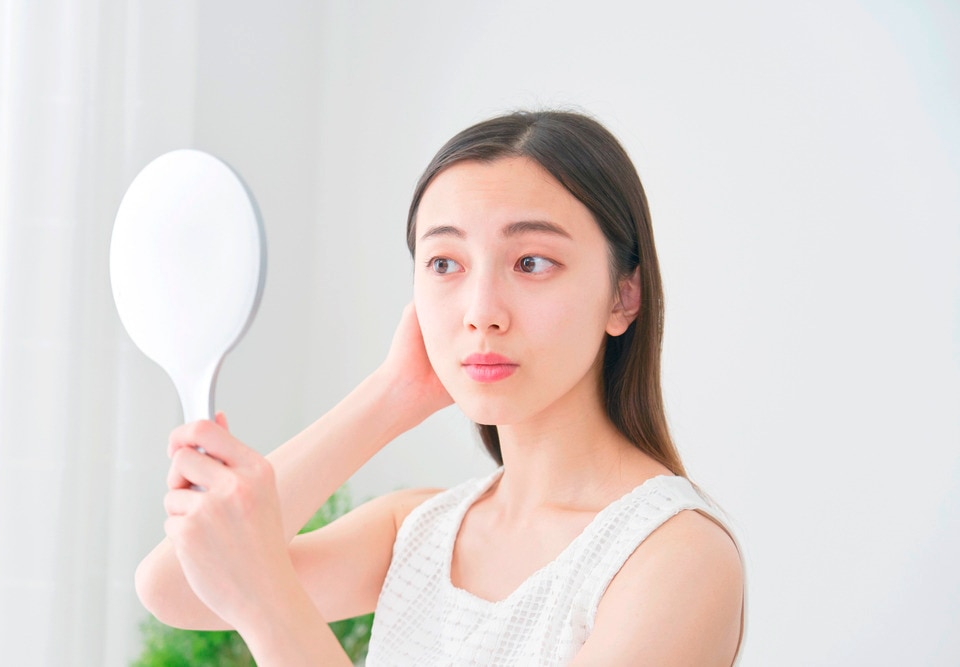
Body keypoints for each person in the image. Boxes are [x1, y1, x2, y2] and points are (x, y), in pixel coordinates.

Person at [135, 110, 746, 666]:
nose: (482, 311)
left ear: (623, 296)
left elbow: (241, 588)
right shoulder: (422, 533)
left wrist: (269, 599)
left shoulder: (677, 558)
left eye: (531, 262)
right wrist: (392, 394)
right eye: (446, 264)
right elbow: (175, 586)